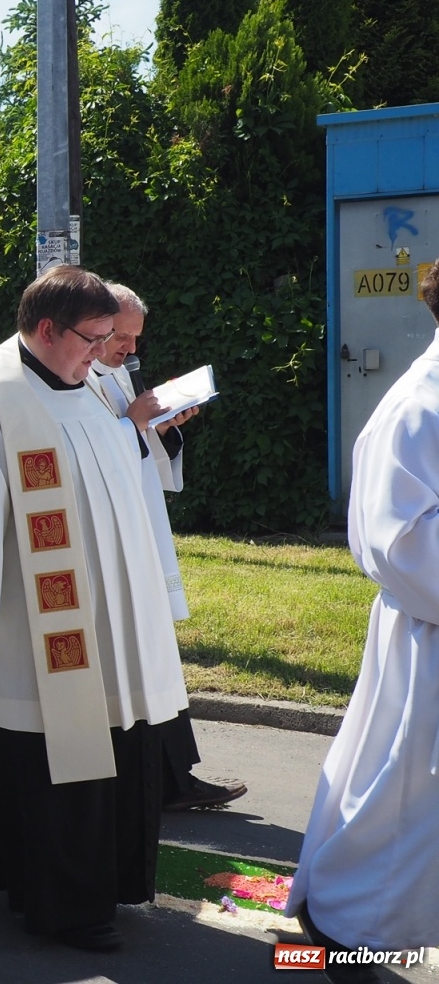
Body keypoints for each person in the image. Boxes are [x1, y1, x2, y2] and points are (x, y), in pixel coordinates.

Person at [0, 266, 187, 951]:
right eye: (94, 340)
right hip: (34, 622)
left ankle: (101, 879)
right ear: (47, 330)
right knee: (52, 756)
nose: (104, 354)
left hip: (112, 616)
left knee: (111, 745)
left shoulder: (93, 385)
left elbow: (114, 477)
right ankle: (66, 906)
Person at [283, 261, 439, 980]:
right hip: (428, 644)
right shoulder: (418, 408)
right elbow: (401, 543)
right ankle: (331, 942)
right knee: (398, 807)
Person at [90, 283, 243, 813]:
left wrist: (164, 428)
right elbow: (91, 459)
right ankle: (158, 782)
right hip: (112, 549)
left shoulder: (112, 375)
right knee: (138, 667)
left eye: (134, 339)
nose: (130, 349)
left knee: (155, 663)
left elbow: (138, 457)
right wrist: (135, 423)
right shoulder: (80, 378)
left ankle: (173, 778)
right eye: (121, 337)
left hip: (139, 533)